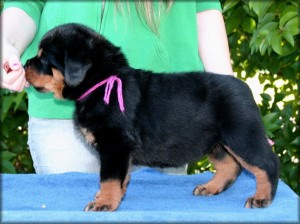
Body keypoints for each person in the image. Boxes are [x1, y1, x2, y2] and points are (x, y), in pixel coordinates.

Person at [1, 0, 233, 174]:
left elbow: (205, 9)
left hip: (160, 117)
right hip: (65, 119)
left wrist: (229, 106)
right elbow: (26, 2)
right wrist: (6, 44)